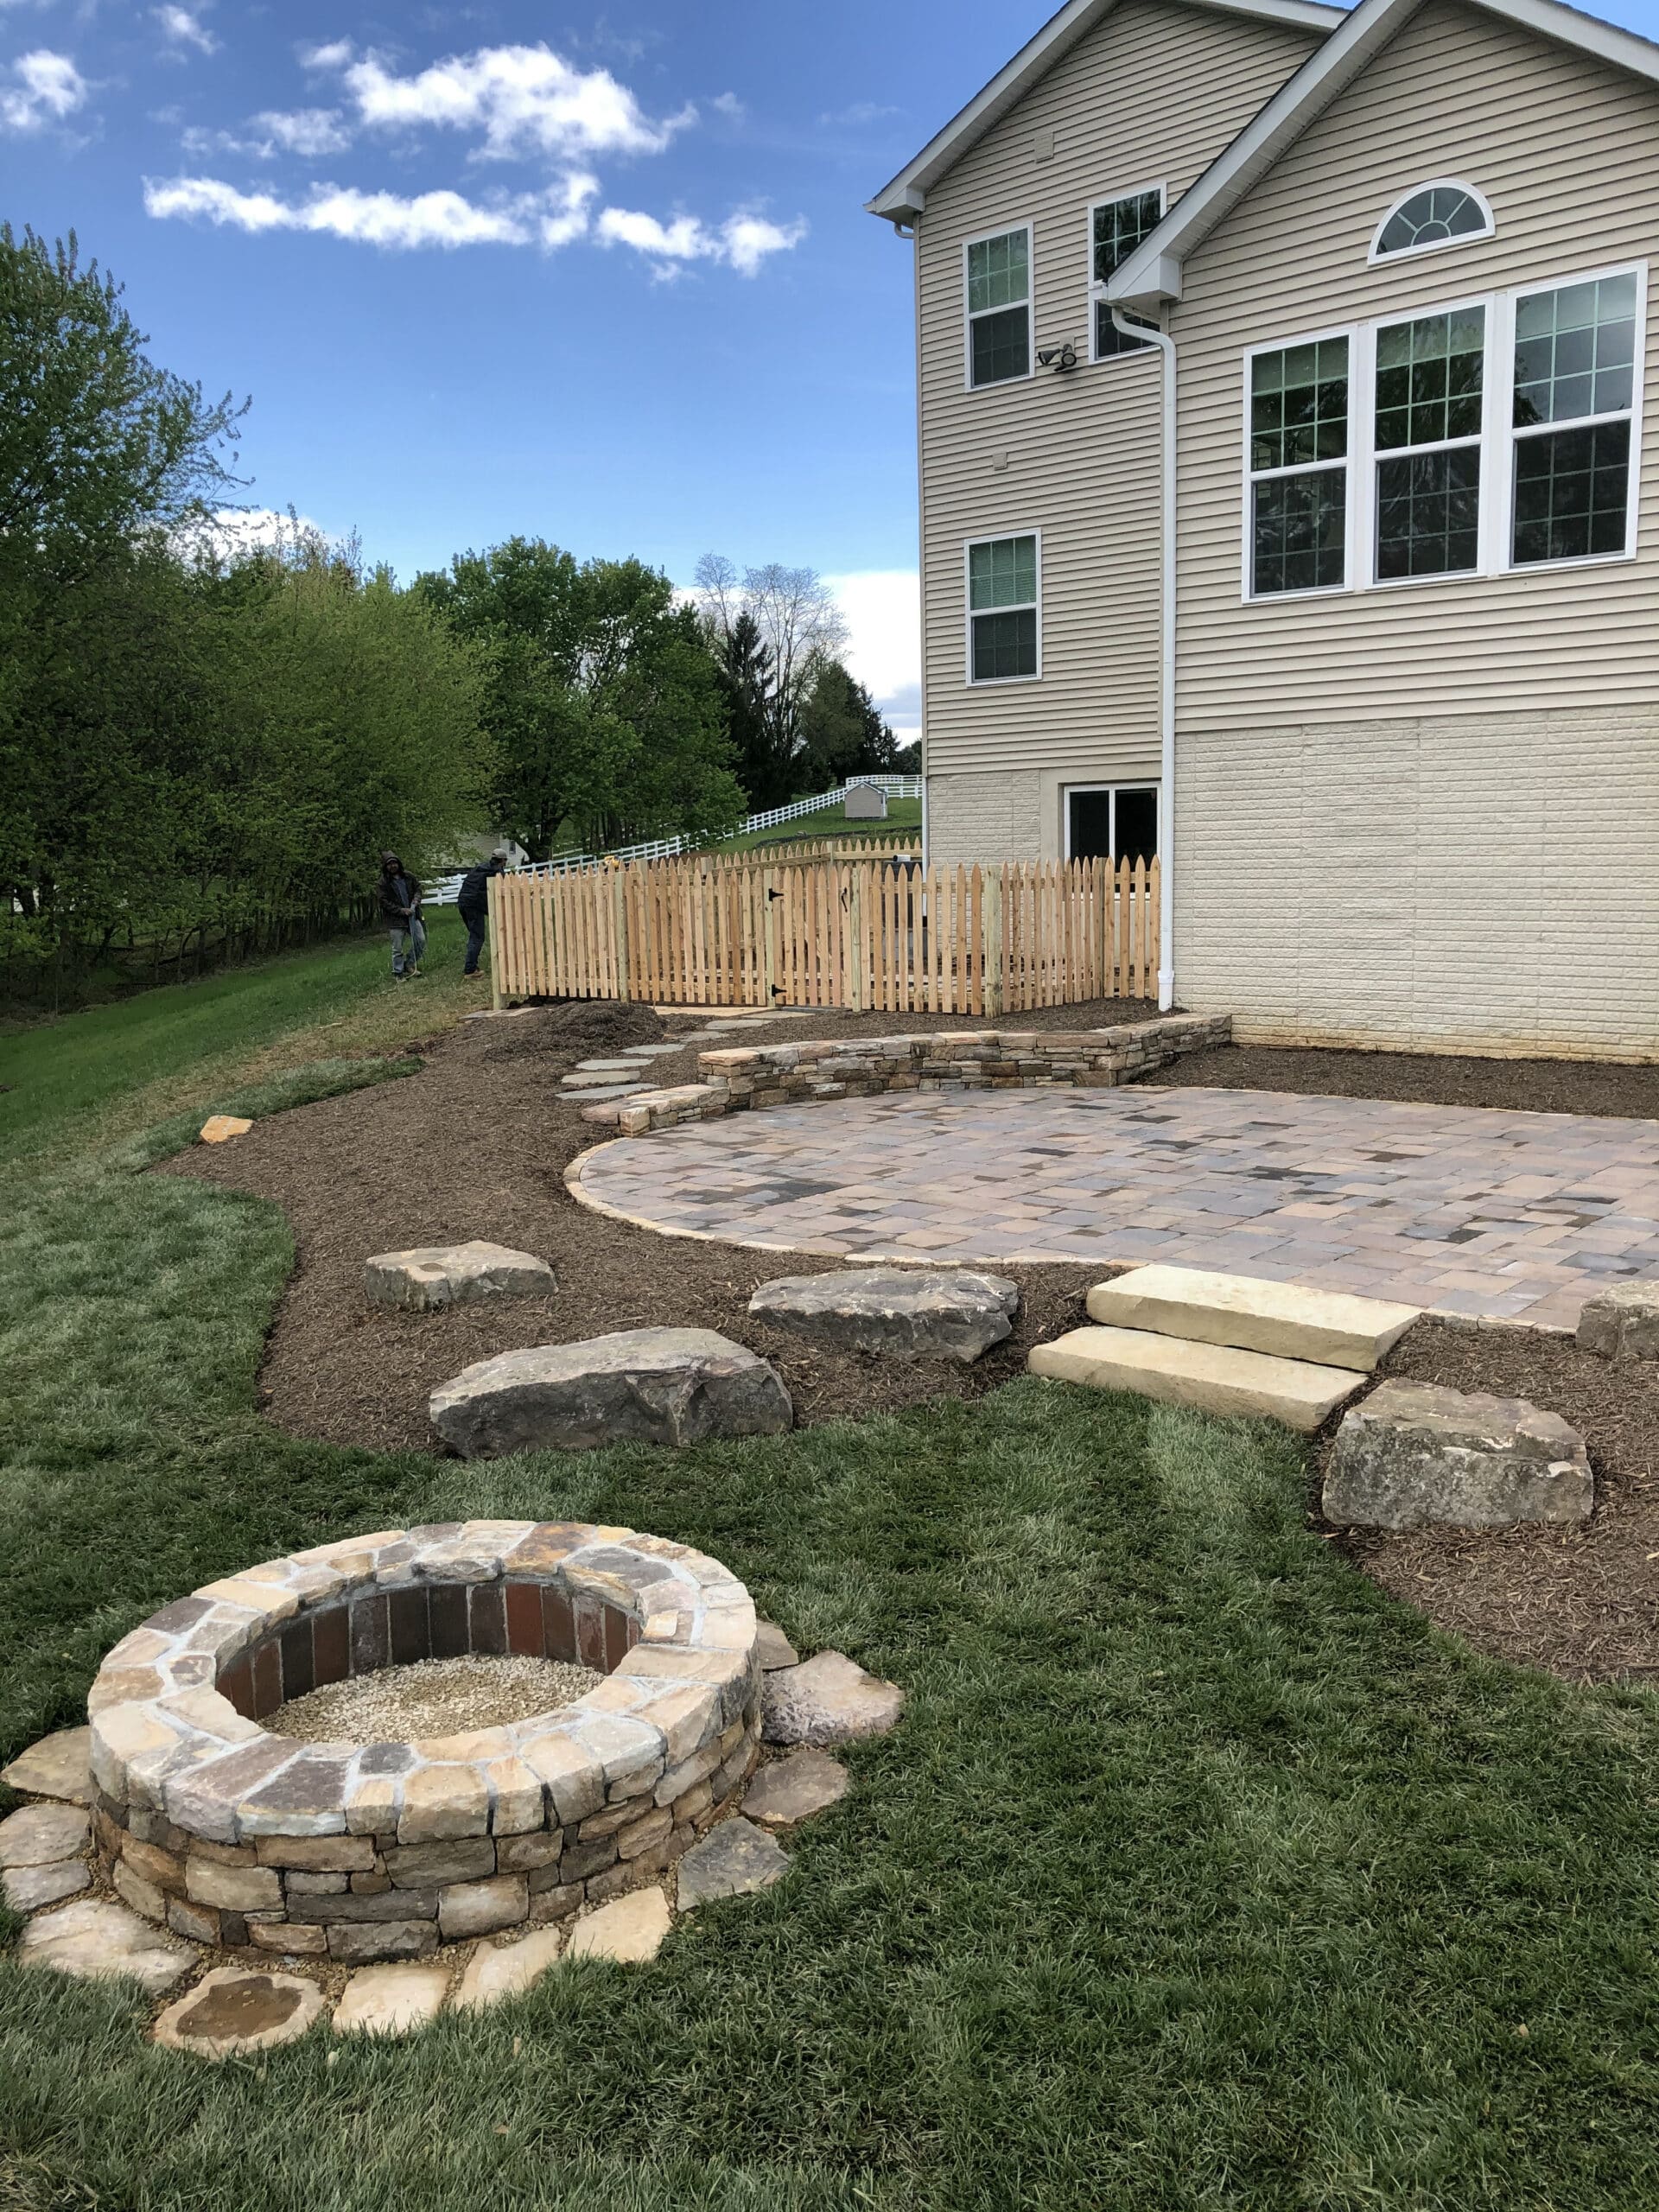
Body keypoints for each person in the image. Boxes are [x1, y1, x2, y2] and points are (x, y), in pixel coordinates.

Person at [456, 851, 507, 982]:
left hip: (463, 902)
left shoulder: (480, 867)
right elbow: (502, 890)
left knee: (474, 936)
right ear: (503, 861)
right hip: (474, 905)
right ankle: (470, 970)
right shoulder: (497, 871)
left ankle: (472, 965)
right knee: (477, 937)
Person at [378, 851, 425, 980]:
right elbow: (384, 902)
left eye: (394, 863)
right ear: (385, 866)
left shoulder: (409, 876)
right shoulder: (383, 883)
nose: (392, 866)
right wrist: (401, 910)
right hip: (395, 920)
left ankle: (409, 964)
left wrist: (416, 899)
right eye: (389, 864)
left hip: (413, 916)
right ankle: (398, 973)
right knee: (397, 948)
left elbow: (418, 888)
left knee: (420, 940)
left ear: (398, 863)